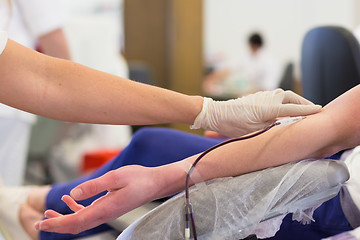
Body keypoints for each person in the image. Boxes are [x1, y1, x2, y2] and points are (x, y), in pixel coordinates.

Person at [0, 84, 358, 239]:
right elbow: (330, 127)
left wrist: (162, 178)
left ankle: (32, 208)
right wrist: (211, 111)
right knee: (150, 145)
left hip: (332, 197)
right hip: (333, 158)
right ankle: (35, 210)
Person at [0, 0, 71, 186]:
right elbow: (51, 34)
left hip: (10, 98)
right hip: (9, 101)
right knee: (5, 197)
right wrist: (70, 96)